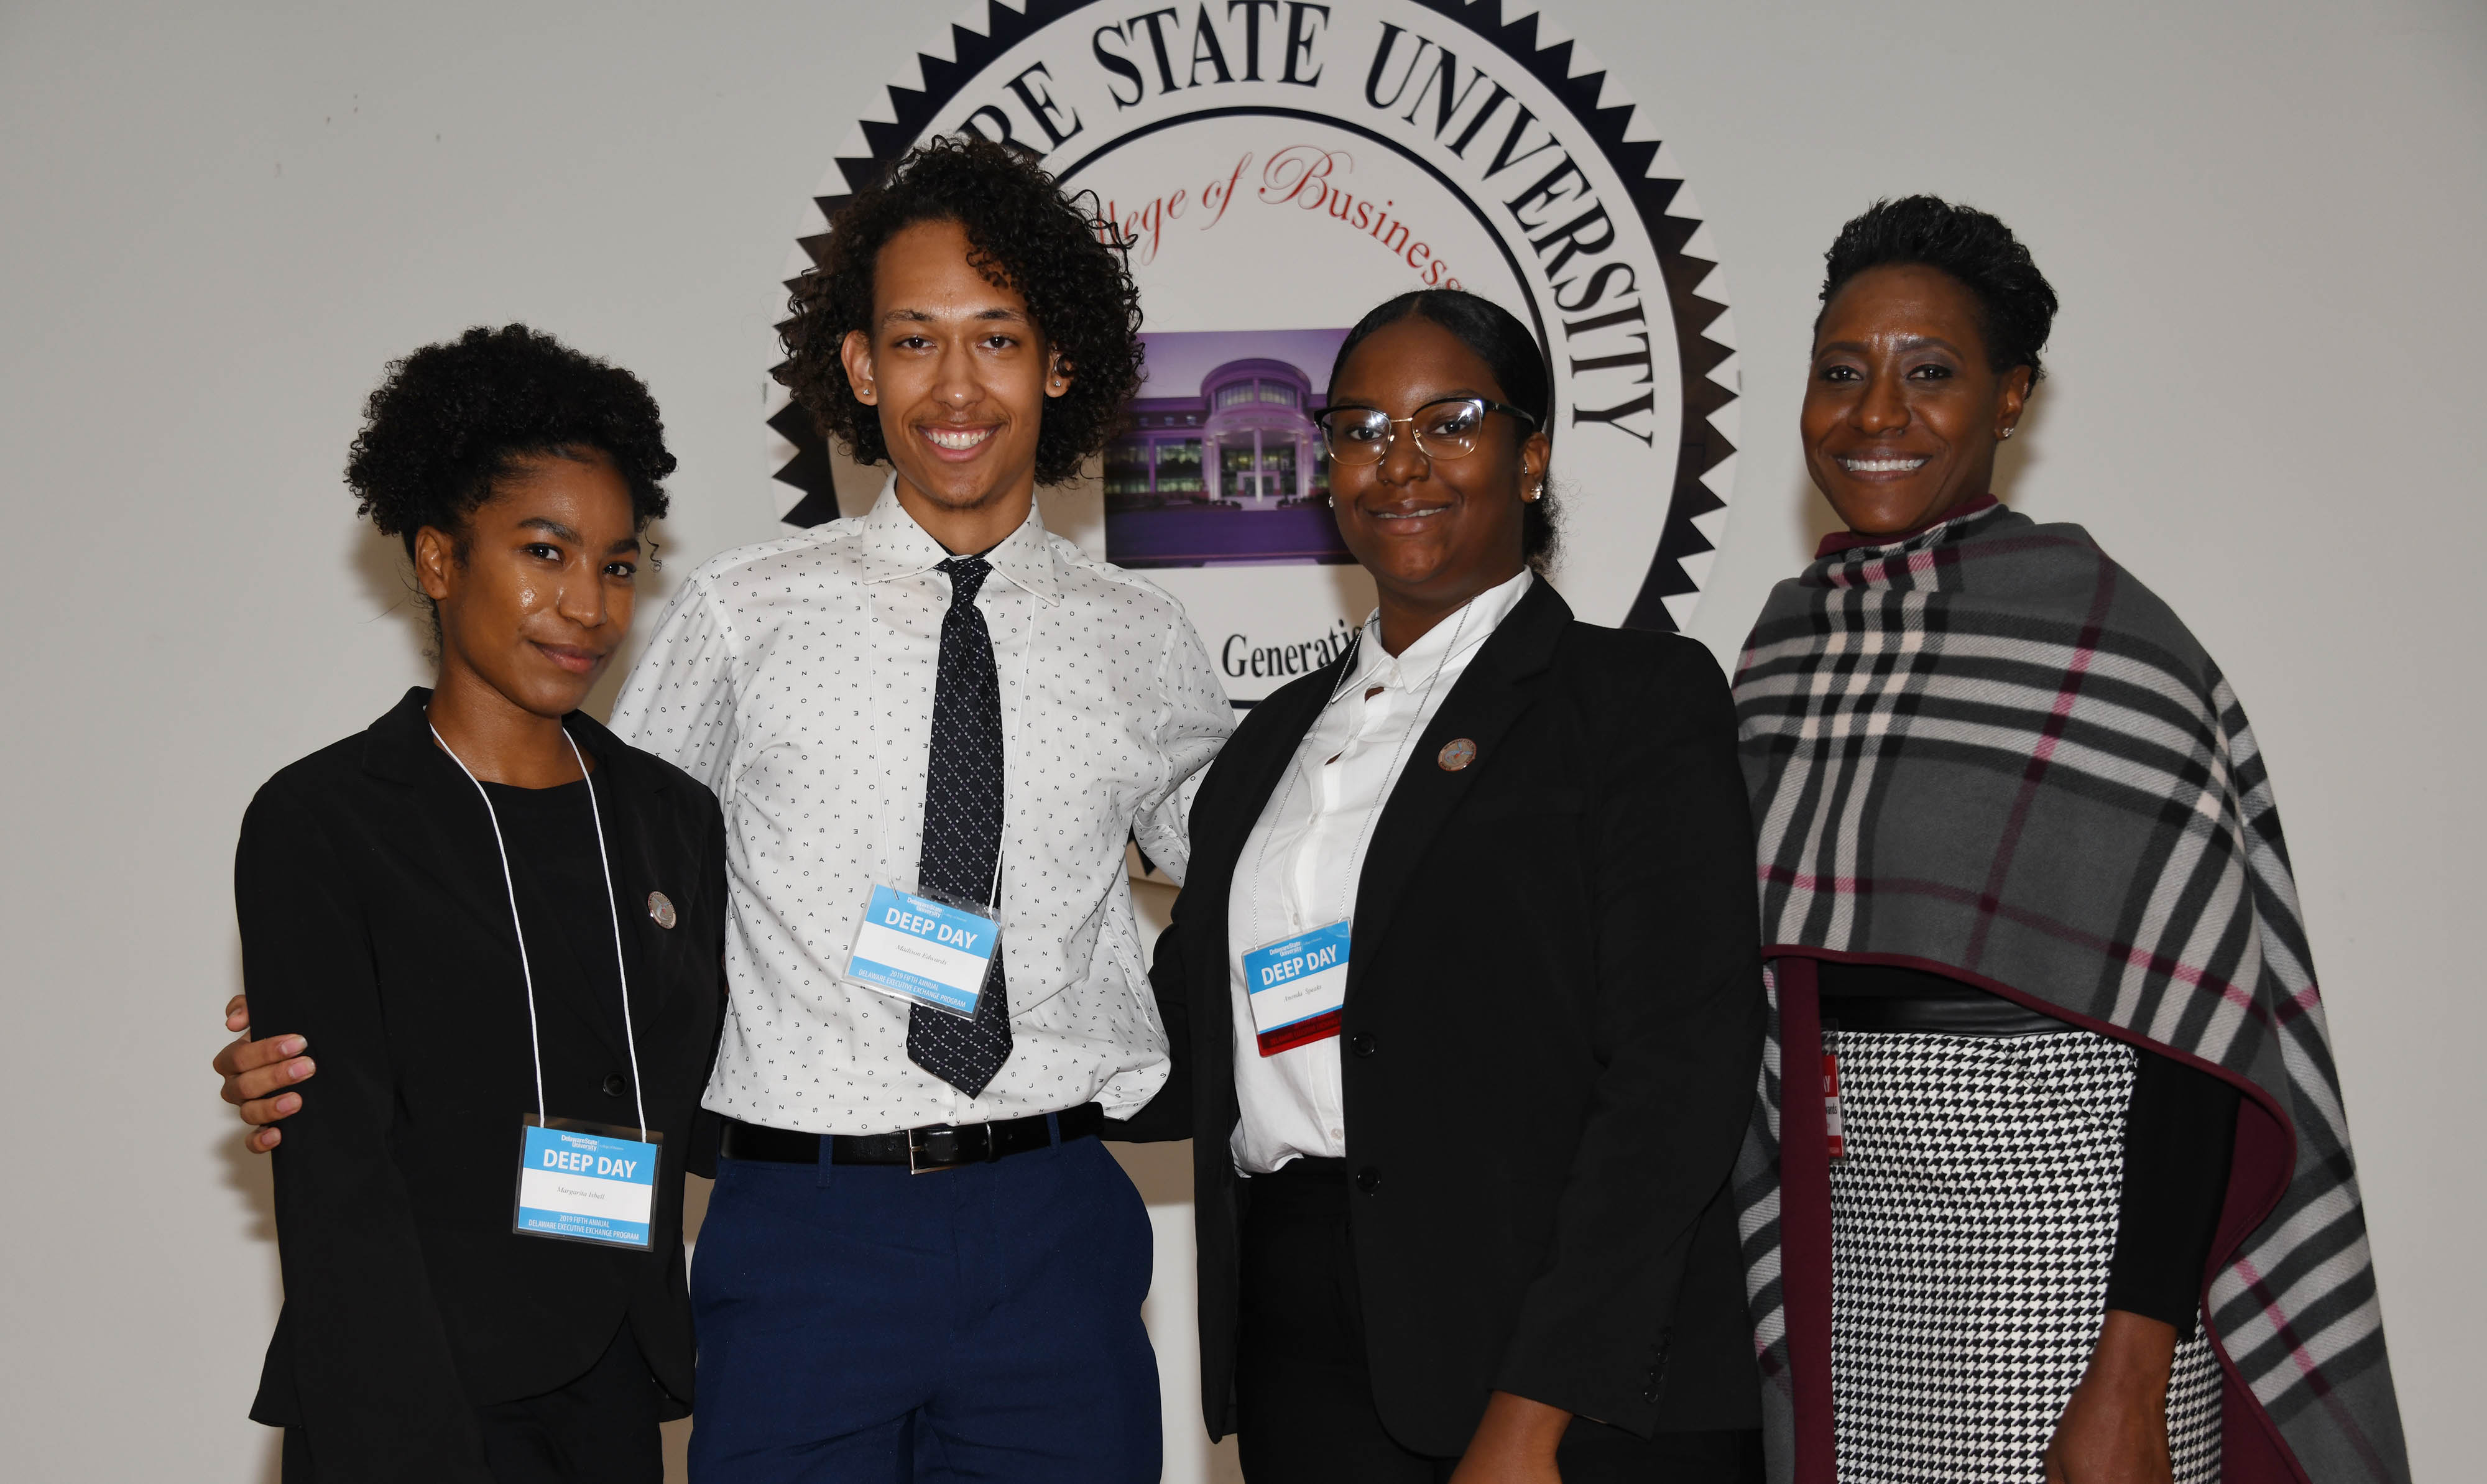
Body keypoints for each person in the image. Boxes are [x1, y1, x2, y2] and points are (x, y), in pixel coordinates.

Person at [220, 135, 1232, 1483]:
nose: (955, 383)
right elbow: (591, 876)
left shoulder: (1146, 639)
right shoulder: (742, 617)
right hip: (799, 1235)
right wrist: (334, 1039)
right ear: (860, 370)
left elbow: (1256, 880)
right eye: (915, 340)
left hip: (1051, 1226)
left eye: (997, 337)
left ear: (1058, 362)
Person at [1729, 196, 2409, 1484]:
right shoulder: (1780, 650)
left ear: (2010, 398)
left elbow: (2195, 1042)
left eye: (1928, 373)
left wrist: (2131, 1369)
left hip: (2059, 1233)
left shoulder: (2114, 650)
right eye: (1839, 372)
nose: (1875, 413)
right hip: (1853, 1231)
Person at [1120, 289, 1767, 1483]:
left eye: (1449, 422)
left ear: (1532, 458)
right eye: (1361, 429)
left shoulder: (1634, 703)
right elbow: (1174, 1051)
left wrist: (1536, 1409)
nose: (1398, 462)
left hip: (1560, 1344)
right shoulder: (1266, 747)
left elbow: (1683, 1076)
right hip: (1306, 1339)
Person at [233, 325, 727, 1482]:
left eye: (617, 564)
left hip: (615, 1386)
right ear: (441, 559)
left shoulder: (670, 818)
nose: (588, 606)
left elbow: (713, 1096)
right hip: (410, 1398)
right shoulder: (326, 820)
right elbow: (338, 1186)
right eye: (545, 553)